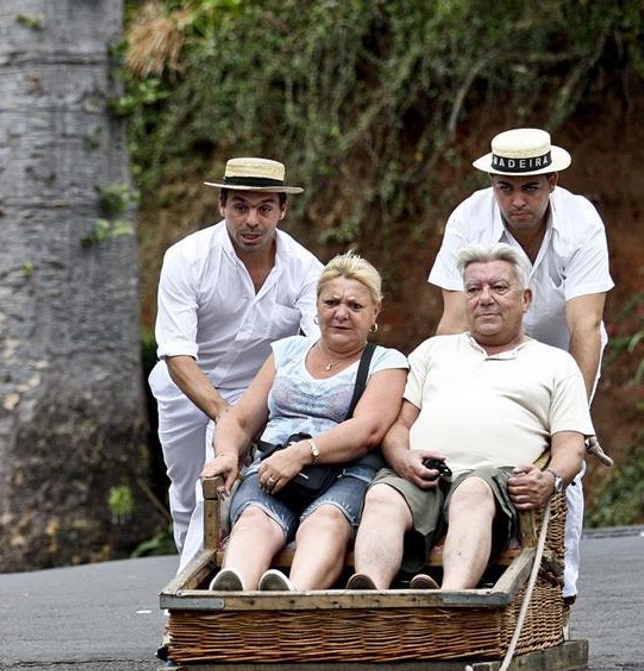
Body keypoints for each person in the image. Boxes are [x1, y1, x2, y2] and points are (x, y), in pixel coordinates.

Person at [427, 128, 611, 600]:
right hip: (484, 339)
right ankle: (462, 571)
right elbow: (453, 318)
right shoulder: (468, 218)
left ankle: (559, 593)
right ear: (492, 182)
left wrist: (574, 422)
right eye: (505, 188)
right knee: (467, 448)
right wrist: (435, 398)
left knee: (563, 461)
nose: (517, 201)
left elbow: (585, 325)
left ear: (551, 181)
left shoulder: (581, 221)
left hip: (560, 345)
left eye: (530, 188)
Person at [349, 242, 593, 592]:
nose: (485, 298)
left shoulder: (555, 363)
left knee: (473, 489)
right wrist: (402, 459)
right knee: (384, 493)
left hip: (495, 482)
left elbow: (571, 445)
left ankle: (452, 598)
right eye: (474, 289)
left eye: (498, 287)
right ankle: (368, 599)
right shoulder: (432, 351)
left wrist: (551, 479)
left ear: (525, 298)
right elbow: (399, 425)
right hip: (426, 475)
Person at [150, 158, 324, 573]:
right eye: (240, 207)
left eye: (264, 208)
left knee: (217, 487)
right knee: (186, 491)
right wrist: (222, 413)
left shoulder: (305, 268)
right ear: (221, 205)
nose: (252, 220)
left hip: (256, 393)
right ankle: (192, 576)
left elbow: (320, 345)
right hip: (184, 390)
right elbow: (176, 352)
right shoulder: (186, 258)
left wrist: (249, 416)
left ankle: (194, 604)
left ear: (282, 210)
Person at [200, 254, 407, 591]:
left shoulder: (387, 362)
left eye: (355, 305)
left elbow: (368, 430)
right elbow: (238, 419)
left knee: (325, 522)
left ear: (375, 311)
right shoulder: (288, 351)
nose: (341, 313)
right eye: (332, 302)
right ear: (317, 304)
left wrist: (301, 454)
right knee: (254, 519)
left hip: (345, 474)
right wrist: (226, 453)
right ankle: (233, 596)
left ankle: (292, 601)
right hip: (272, 468)